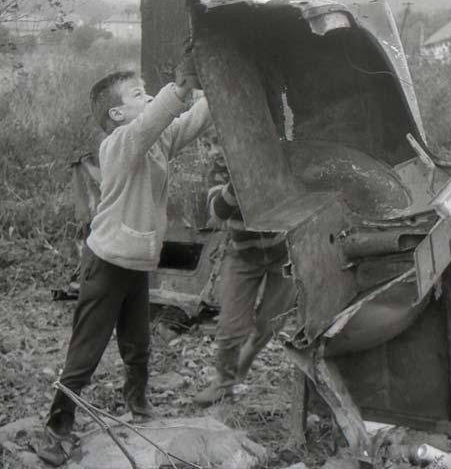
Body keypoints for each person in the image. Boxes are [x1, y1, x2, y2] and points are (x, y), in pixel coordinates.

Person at [38, 66, 212, 466]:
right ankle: (57, 427)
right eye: (137, 94)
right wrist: (180, 87)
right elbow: (154, 120)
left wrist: (216, 88)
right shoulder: (118, 144)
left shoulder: (157, 140)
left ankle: (139, 406)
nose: (148, 98)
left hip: (136, 264)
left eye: (147, 91)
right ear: (116, 114)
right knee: (86, 352)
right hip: (106, 263)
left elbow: (191, 121)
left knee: (138, 345)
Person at [194, 177, 296, 407]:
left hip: (283, 254)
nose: (214, 152)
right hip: (242, 256)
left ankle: (243, 362)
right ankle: (223, 384)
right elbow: (219, 213)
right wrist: (238, 178)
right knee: (231, 326)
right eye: (210, 146)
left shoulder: (269, 163)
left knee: (271, 323)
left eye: (216, 144)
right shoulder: (219, 170)